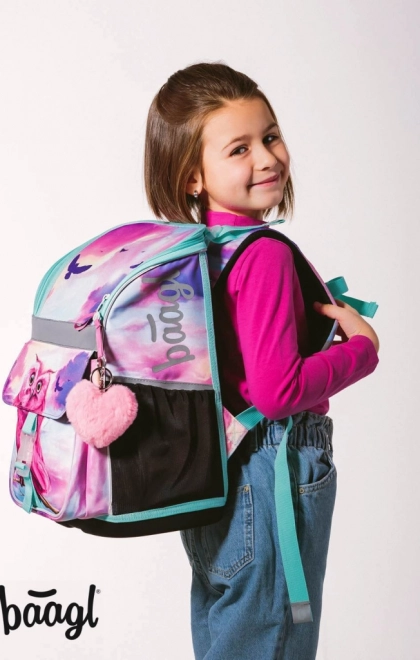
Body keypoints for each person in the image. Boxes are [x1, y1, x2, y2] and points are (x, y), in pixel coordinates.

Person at [144, 61, 380, 660]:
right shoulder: (264, 254)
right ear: (192, 176)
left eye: (270, 136)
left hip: (216, 481)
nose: (267, 158)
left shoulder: (195, 254)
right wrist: (362, 352)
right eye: (239, 149)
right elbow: (278, 392)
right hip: (271, 477)